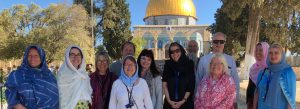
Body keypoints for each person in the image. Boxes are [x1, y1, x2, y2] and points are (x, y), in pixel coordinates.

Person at [195, 32, 240, 107]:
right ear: (212, 43)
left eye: (221, 42)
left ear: (224, 43)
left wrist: (235, 101)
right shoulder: (203, 59)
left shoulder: (230, 60)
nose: (218, 44)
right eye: (215, 41)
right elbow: (198, 81)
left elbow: (235, 81)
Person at [253, 44, 296, 109]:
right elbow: (257, 92)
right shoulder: (263, 72)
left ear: (281, 55)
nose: (273, 56)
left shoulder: (287, 72)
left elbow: (290, 100)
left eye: (276, 53)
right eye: (270, 53)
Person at [162, 42, 195, 109]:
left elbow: (191, 85)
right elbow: (164, 84)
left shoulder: (189, 64)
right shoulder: (168, 64)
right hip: (169, 104)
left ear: (181, 51)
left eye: (177, 51)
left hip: (185, 103)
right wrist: (169, 101)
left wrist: (182, 101)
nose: (175, 54)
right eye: (172, 52)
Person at [246, 42, 269, 109]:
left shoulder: (270, 70)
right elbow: (250, 86)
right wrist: (248, 102)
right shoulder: (253, 68)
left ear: (266, 51)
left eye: (261, 50)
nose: (257, 52)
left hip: (264, 105)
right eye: (256, 50)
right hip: (252, 103)